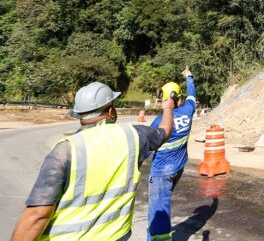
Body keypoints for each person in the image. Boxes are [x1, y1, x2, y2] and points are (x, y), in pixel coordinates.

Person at [11, 81, 174, 241]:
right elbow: (164, 132)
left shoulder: (66, 150)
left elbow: (37, 215)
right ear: (110, 110)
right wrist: (168, 108)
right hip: (116, 236)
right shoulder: (134, 136)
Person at [147, 66, 197, 241]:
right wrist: (189, 77)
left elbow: (147, 148)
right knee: (164, 202)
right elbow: (192, 95)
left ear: (166, 99)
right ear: (178, 98)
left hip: (161, 173)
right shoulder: (188, 110)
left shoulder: (158, 122)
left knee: (158, 210)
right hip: (179, 167)